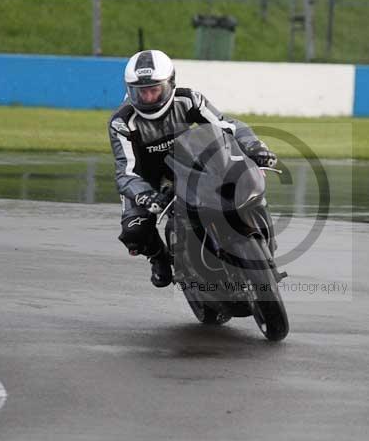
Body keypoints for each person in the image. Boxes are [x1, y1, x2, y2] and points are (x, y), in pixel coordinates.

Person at [108, 49, 277, 288]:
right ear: (130, 90)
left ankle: (258, 233)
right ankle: (159, 258)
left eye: (154, 89)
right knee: (134, 232)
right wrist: (144, 195)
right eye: (141, 91)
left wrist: (255, 148)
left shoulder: (188, 99)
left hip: (188, 161)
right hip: (147, 179)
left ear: (170, 84)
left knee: (238, 182)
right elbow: (126, 171)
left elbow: (227, 125)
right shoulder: (121, 121)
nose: (148, 97)